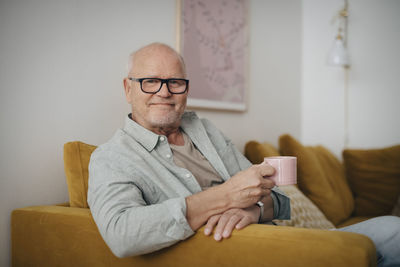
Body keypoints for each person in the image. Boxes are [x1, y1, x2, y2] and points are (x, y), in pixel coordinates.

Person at [88, 43, 400, 266]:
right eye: (150, 82)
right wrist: (227, 196)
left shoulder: (204, 130)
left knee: (392, 229)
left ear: (186, 88)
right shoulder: (111, 158)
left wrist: (252, 211)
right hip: (246, 254)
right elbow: (122, 234)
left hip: (283, 240)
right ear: (128, 89)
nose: (164, 92)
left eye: (175, 82)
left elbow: (279, 201)